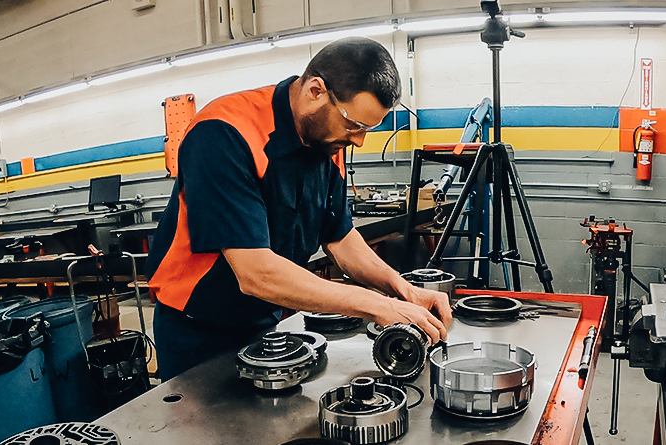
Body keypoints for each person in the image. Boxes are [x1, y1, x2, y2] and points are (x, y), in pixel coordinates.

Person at [146, 37, 452, 381]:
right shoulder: (223, 133)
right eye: (354, 125)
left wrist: (403, 289)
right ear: (316, 91)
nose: (358, 141)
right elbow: (256, 273)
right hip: (197, 332)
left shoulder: (325, 140)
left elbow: (341, 239)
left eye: (367, 129)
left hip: (264, 321)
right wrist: (378, 305)